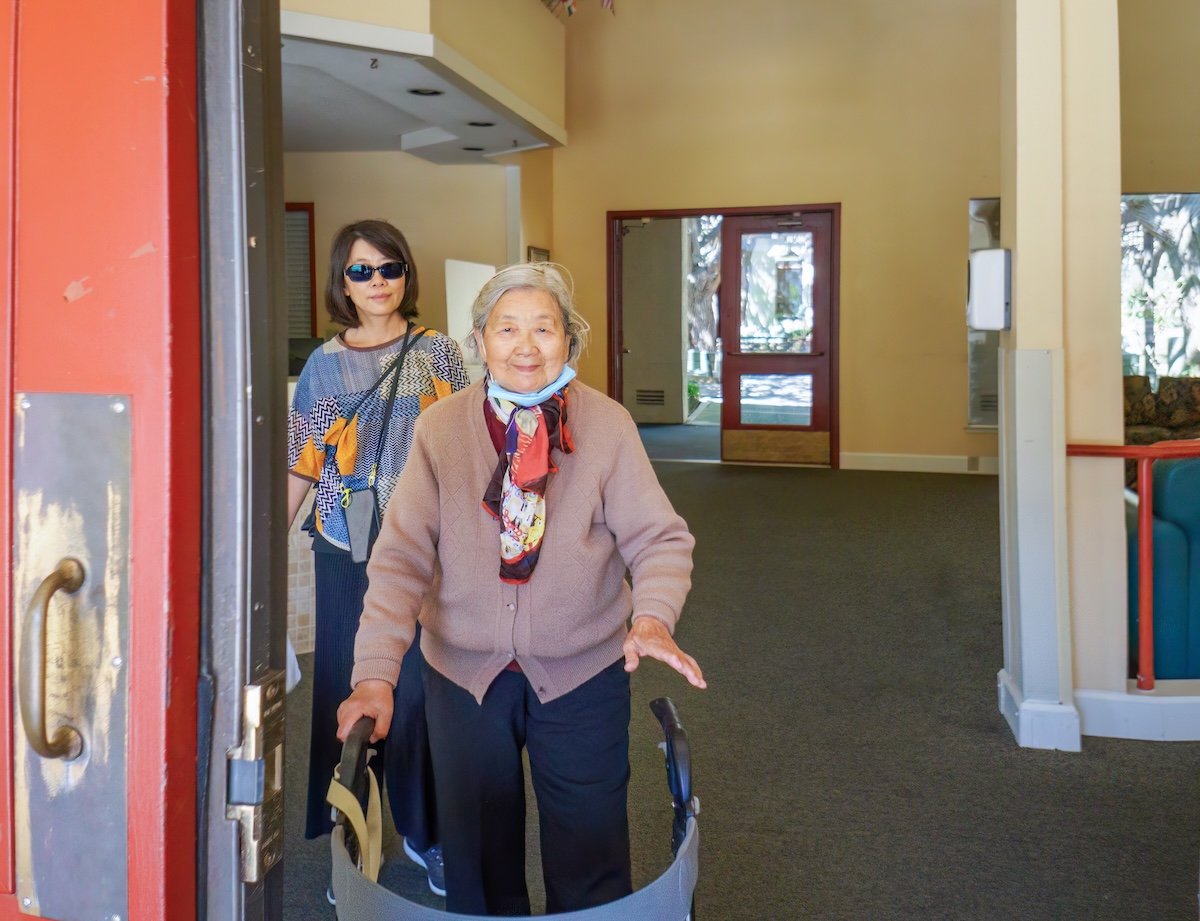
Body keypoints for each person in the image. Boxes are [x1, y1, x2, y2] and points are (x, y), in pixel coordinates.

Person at [336, 262, 706, 916]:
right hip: (463, 670)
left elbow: (659, 538)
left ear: (570, 340)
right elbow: (399, 561)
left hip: (583, 666)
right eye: (507, 328)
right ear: (480, 340)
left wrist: (651, 616)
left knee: (590, 853)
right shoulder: (441, 430)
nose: (526, 345)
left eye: (545, 328)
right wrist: (375, 674)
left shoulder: (609, 426)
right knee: (477, 862)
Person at [287, 219, 468, 899]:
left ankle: (426, 835)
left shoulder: (439, 353)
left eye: (388, 268)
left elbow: (466, 449)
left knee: (418, 699)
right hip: (345, 550)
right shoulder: (322, 366)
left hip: (425, 554)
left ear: (405, 275)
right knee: (349, 696)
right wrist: (258, 549)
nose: (376, 282)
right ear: (341, 282)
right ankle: (353, 843)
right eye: (360, 271)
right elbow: (302, 461)